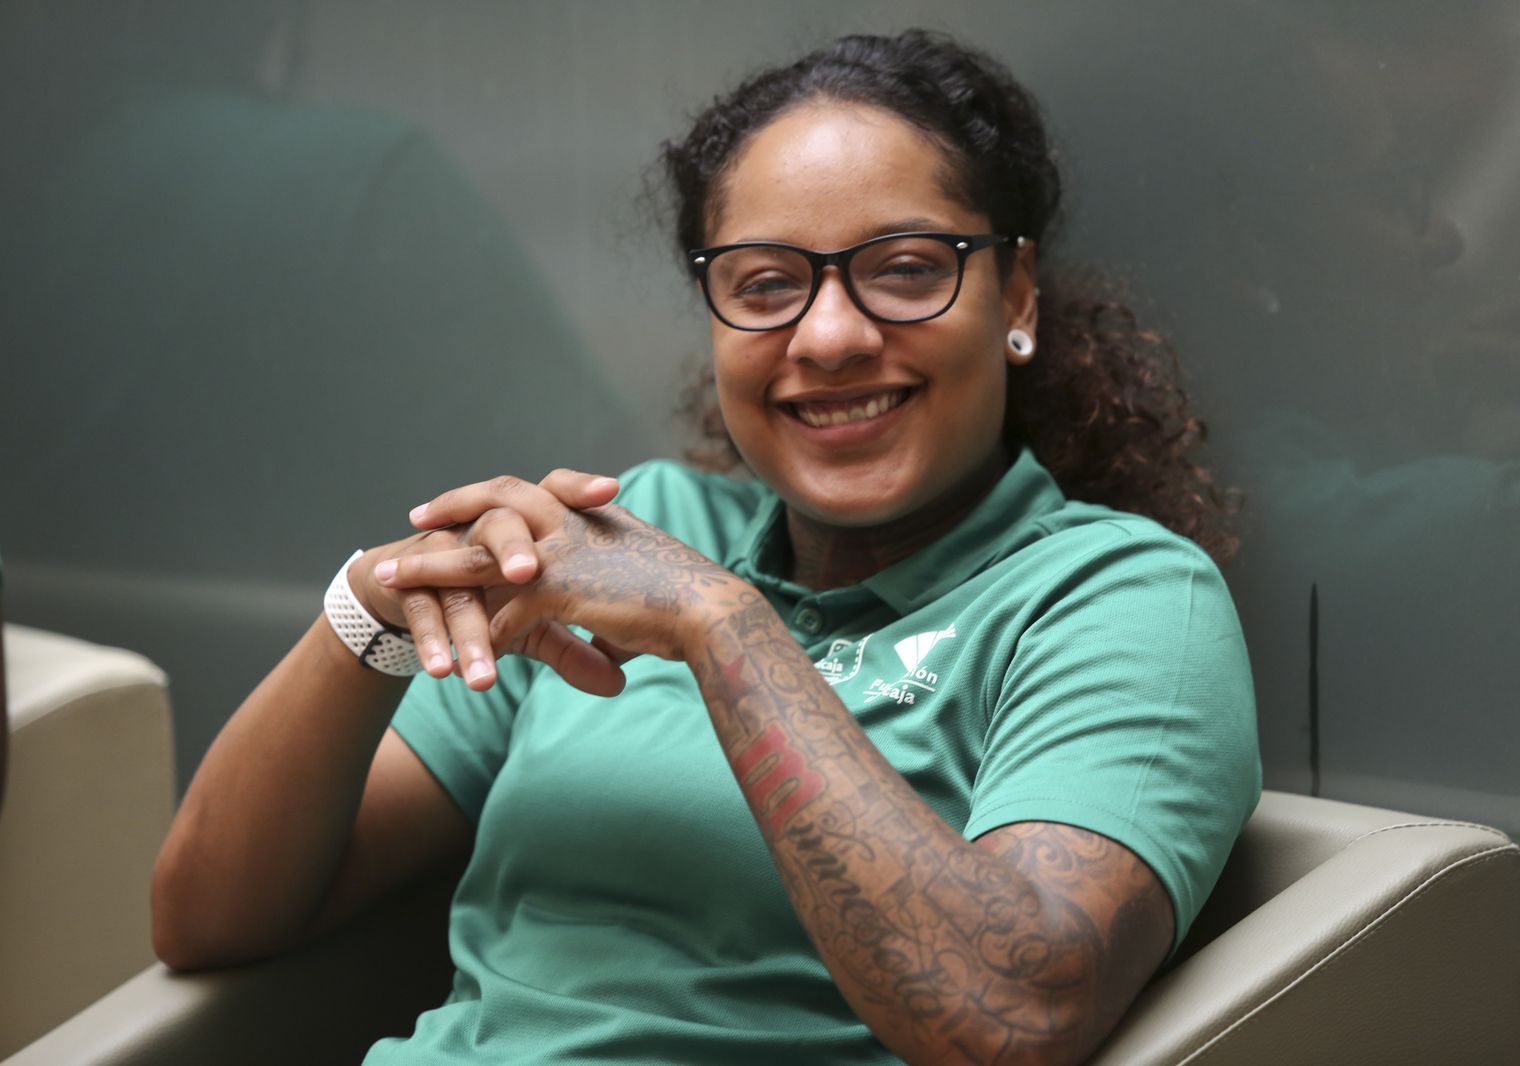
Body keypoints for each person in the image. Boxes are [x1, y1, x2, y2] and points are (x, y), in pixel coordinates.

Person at [151, 30, 1259, 1066]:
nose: (829, 335)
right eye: (765, 284)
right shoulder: (630, 529)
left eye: (907, 268)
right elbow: (207, 919)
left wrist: (722, 624)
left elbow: (1018, 1011)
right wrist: (373, 612)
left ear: (1013, 296)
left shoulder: (1117, 598)